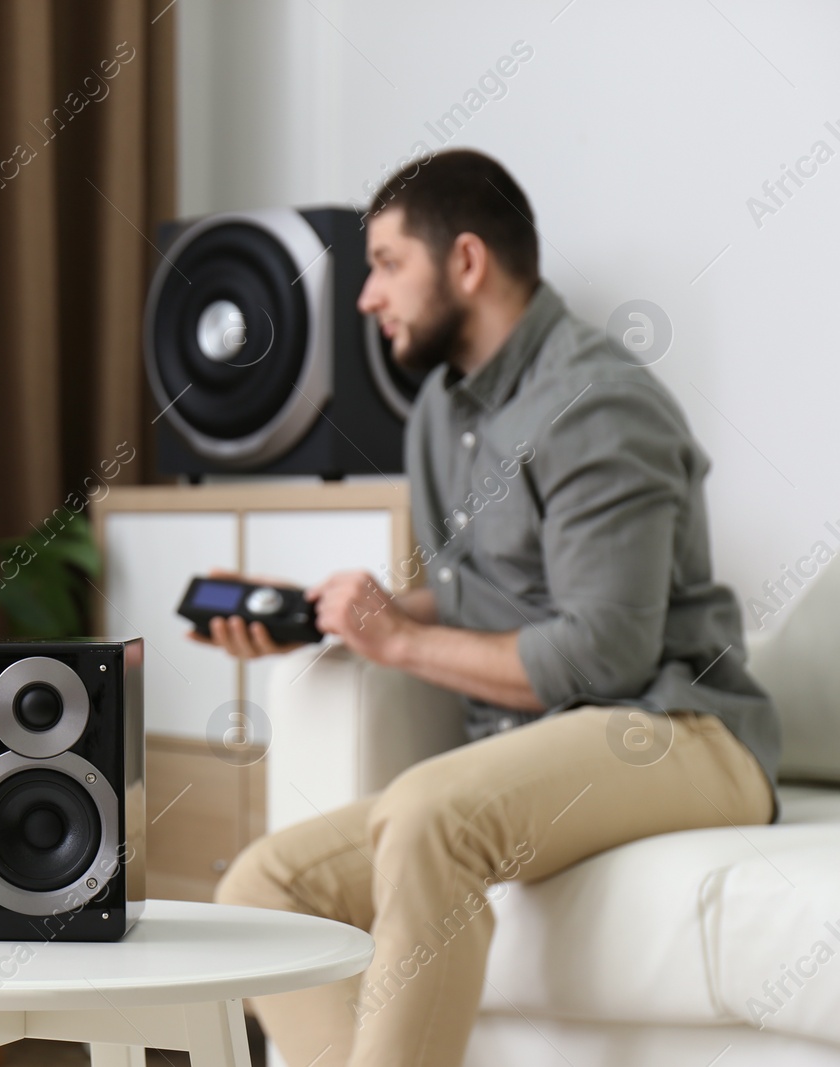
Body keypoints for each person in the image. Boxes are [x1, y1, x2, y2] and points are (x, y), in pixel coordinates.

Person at [195, 148, 779, 1067]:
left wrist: (399, 637)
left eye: (386, 265)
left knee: (429, 811)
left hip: (677, 730)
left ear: (466, 262)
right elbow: (486, 598)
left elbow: (603, 657)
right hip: (534, 746)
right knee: (263, 889)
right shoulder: (442, 409)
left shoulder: (597, 403)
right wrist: (344, 617)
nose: (365, 298)